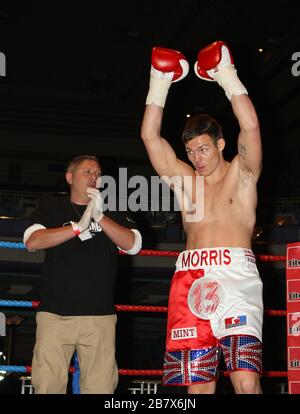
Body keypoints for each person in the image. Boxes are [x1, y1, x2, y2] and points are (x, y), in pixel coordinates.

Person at [141, 42, 263, 394]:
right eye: (191, 151)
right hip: (191, 279)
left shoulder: (242, 173)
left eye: (204, 148)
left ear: (222, 144)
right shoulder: (185, 181)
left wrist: (227, 76)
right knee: (198, 387)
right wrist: (159, 81)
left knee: (245, 379)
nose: (196, 157)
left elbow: (251, 127)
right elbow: (150, 136)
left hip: (236, 277)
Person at [23, 155, 142, 394]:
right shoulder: (52, 206)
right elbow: (32, 241)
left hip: (99, 316)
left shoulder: (113, 210)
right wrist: (77, 227)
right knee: (47, 385)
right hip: (55, 314)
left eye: (97, 174)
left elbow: (133, 244)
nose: (93, 177)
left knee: (100, 388)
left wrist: (98, 216)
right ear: (69, 177)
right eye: (87, 172)